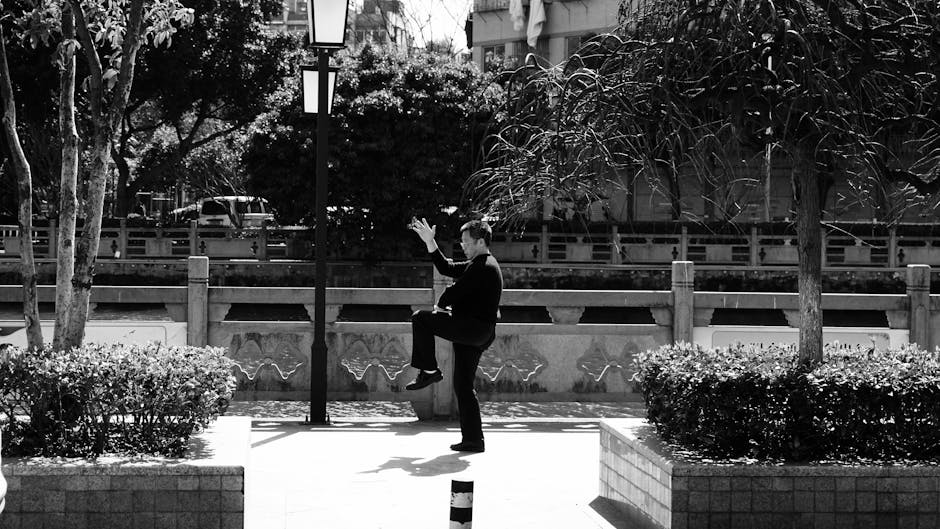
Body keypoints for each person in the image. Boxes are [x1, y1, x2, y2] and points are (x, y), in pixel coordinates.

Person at [405, 217, 503, 453]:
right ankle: (473, 440)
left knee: (420, 318)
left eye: (467, 242)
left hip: (472, 329)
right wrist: (430, 242)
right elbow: (446, 268)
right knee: (463, 385)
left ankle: (429, 370)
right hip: (476, 332)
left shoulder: (484, 266)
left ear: (480, 242)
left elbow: (453, 292)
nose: (463, 246)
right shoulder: (479, 264)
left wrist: (441, 305)